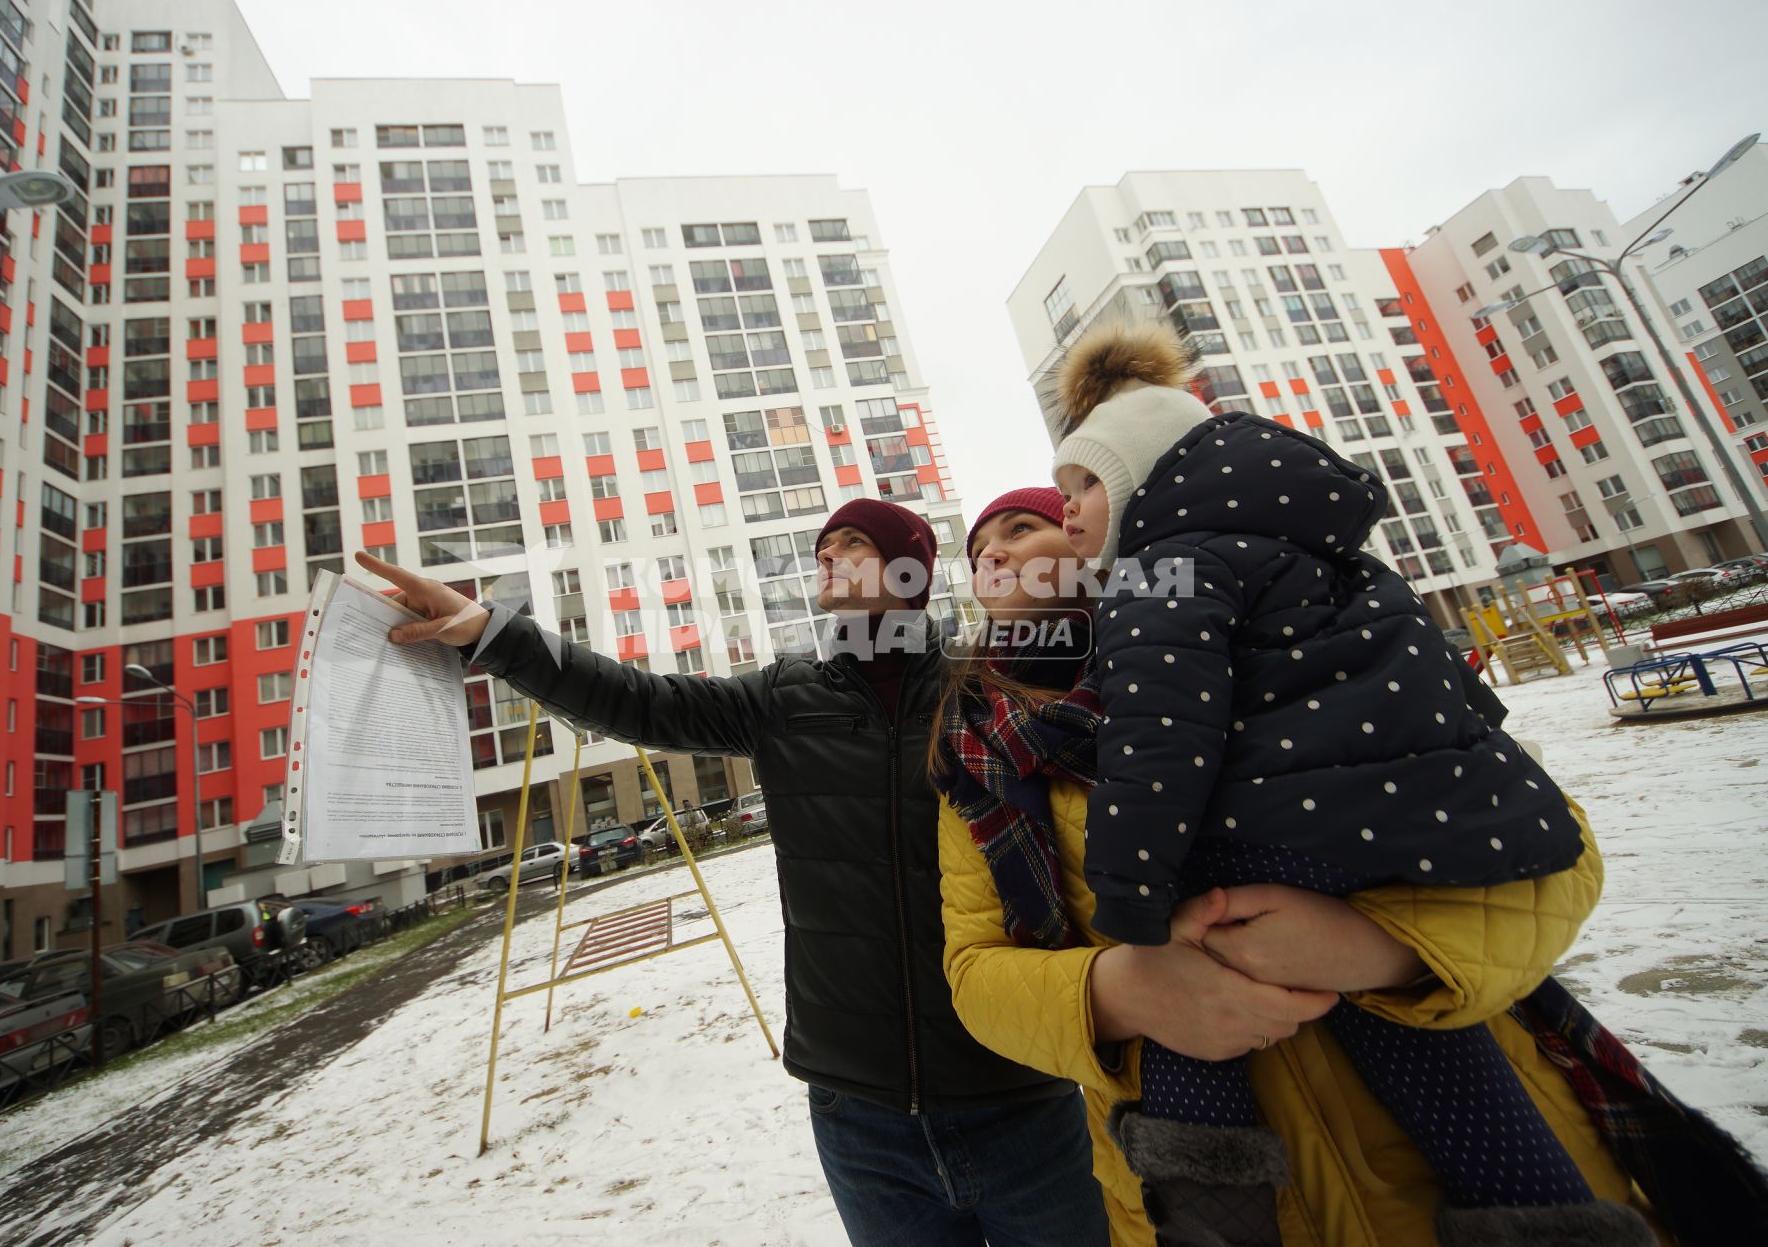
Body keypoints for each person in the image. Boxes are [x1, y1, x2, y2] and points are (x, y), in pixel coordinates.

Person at [357, 499, 1133, 1246]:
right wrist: (496, 634)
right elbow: (636, 700)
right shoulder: (782, 700)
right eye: (823, 549)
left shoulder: (980, 690)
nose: (828, 556)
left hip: (1019, 1093)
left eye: (854, 543)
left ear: (911, 571)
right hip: (857, 1113)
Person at [929, 488, 1689, 1245]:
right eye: (978, 548)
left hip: (1486, 1140)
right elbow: (976, 972)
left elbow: (1554, 844)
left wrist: (1393, 947)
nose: (990, 551)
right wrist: (1115, 992)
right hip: (1196, 1187)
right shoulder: (980, 754)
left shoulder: (1283, 646)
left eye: (1020, 528)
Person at [1043, 320, 1666, 1242]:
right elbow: (1460, 703)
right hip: (1405, 842)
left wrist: (1134, 908)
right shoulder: (1340, 562)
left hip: (1268, 842)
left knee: (1189, 1020)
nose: (1067, 511)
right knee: (1432, 1054)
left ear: (1142, 479)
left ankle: (1214, 1218)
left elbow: (1159, 738)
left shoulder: (1162, 572)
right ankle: (1547, 1217)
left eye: (1083, 483)